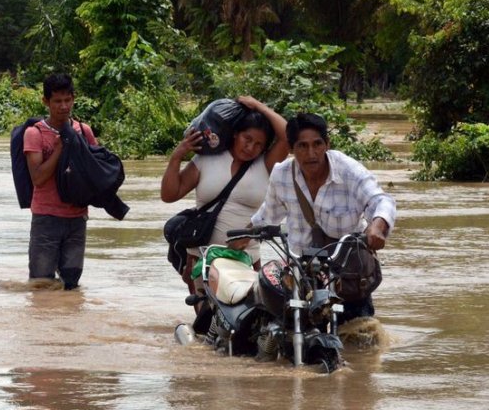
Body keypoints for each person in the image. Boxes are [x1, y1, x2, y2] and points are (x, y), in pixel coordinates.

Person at [250, 112, 396, 321]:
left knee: (360, 336)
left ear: (327, 144)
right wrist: (242, 237)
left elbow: (381, 200)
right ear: (291, 149)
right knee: (284, 329)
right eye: (302, 146)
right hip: (301, 270)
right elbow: (268, 215)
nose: (312, 153)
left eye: (317, 144)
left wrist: (377, 226)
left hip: (347, 273)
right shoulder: (281, 175)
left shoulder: (348, 170)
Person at [160, 96, 290, 299]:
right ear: (235, 134)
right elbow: (169, 195)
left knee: (246, 319)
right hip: (201, 257)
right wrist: (176, 157)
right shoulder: (205, 160)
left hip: (246, 256)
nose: (250, 148)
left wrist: (257, 105)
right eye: (247, 139)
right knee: (205, 323)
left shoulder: (265, 164)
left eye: (258, 144)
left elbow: (288, 136)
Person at [24, 73, 96, 290]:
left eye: (67, 100)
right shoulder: (34, 134)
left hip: (77, 218)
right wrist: (59, 149)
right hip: (46, 218)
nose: (63, 106)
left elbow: (96, 169)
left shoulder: (84, 131)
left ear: (74, 98)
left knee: (72, 285)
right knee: (41, 283)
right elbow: (37, 178)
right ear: (45, 101)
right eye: (57, 101)